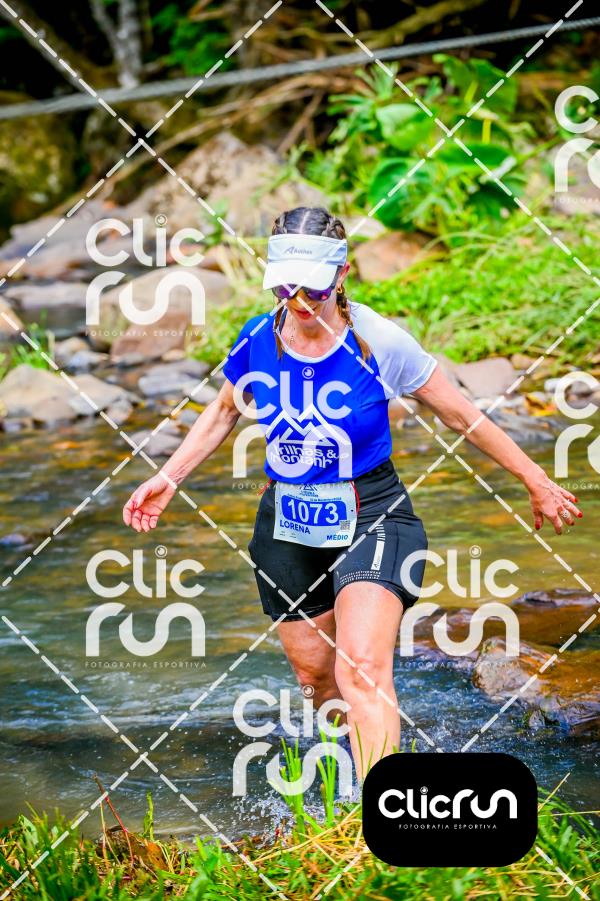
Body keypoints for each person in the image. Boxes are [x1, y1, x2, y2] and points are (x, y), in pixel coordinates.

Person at [123, 206, 581, 779]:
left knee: (362, 668)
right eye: (285, 286)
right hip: (286, 522)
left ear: (341, 275)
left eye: (313, 287)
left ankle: (378, 805)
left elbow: (461, 415)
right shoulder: (258, 338)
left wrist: (535, 480)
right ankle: (347, 784)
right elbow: (222, 412)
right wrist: (167, 478)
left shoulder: (380, 341)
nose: (299, 300)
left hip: (373, 513)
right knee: (317, 677)